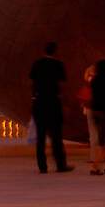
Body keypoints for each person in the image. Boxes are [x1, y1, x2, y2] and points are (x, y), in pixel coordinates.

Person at [29, 42, 71, 173]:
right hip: (53, 102)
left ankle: (42, 166)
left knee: (40, 136)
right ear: (55, 51)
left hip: (39, 102)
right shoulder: (58, 65)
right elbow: (62, 82)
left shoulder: (37, 64)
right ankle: (60, 165)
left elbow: (31, 78)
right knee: (56, 136)